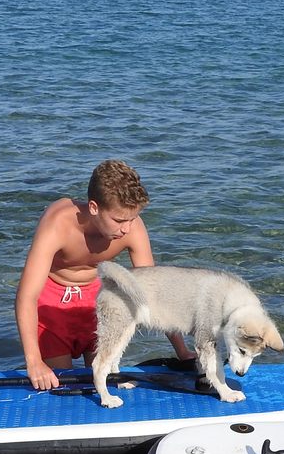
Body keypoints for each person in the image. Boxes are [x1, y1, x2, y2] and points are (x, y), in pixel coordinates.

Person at [15, 159, 193, 390]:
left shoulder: (132, 228)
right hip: (53, 308)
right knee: (62, 384)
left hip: (98, 301)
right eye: (119, 220)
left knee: (102, 381)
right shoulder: (58, 224)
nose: (126, 229)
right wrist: (34, 362)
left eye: (132, 219)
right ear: (94, 208)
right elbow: (26, 297)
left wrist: (182, 350)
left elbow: (153, 293)